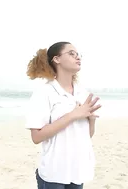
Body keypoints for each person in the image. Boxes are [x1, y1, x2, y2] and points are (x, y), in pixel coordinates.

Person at [25, 41, 101, 189]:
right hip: (54, 174)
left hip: (77, 172)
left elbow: (86, 135)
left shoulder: (82, 93)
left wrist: (91, 120)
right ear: (57, 59)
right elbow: (37, 137)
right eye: (71, 54)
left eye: (78, 55)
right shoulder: (45, 92)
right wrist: (73, 115)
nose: (77, 57)